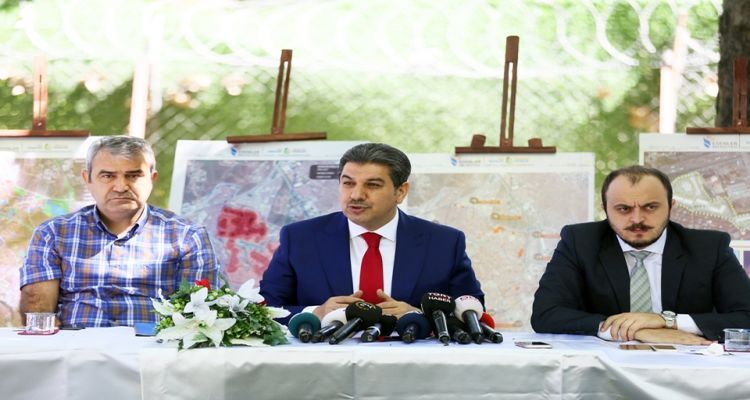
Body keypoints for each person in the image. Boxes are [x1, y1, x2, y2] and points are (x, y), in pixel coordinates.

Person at [260, 143, 484, 322]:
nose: (356, 195)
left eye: (373, 185)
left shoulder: (444, 242)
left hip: (411, 357)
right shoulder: (300, 238)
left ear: (400, 192)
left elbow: (472, 309)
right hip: (326, 358)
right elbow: (265, 309)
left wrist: (418, 315)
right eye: (348, 183)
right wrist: (315, 312)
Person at [531, 165, 750, 344]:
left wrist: (667, 322)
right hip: (605, 370)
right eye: (623, 209)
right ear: (605, 209)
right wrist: (635, 331)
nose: (637, 219)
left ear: (671, 206)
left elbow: (746, 316)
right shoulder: (580, 242)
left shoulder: (709, 247)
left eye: (650, 207)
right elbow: (546, 313)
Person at [19, 136, 221, 328]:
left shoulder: (187, 236)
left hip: (154, 346)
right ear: (87, 179)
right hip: (75, 345)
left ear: (152, 179)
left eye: (133, 175)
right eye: (108, 176)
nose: (121, 186)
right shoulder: (53, 233)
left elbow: (200, 314)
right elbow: (38, 313)